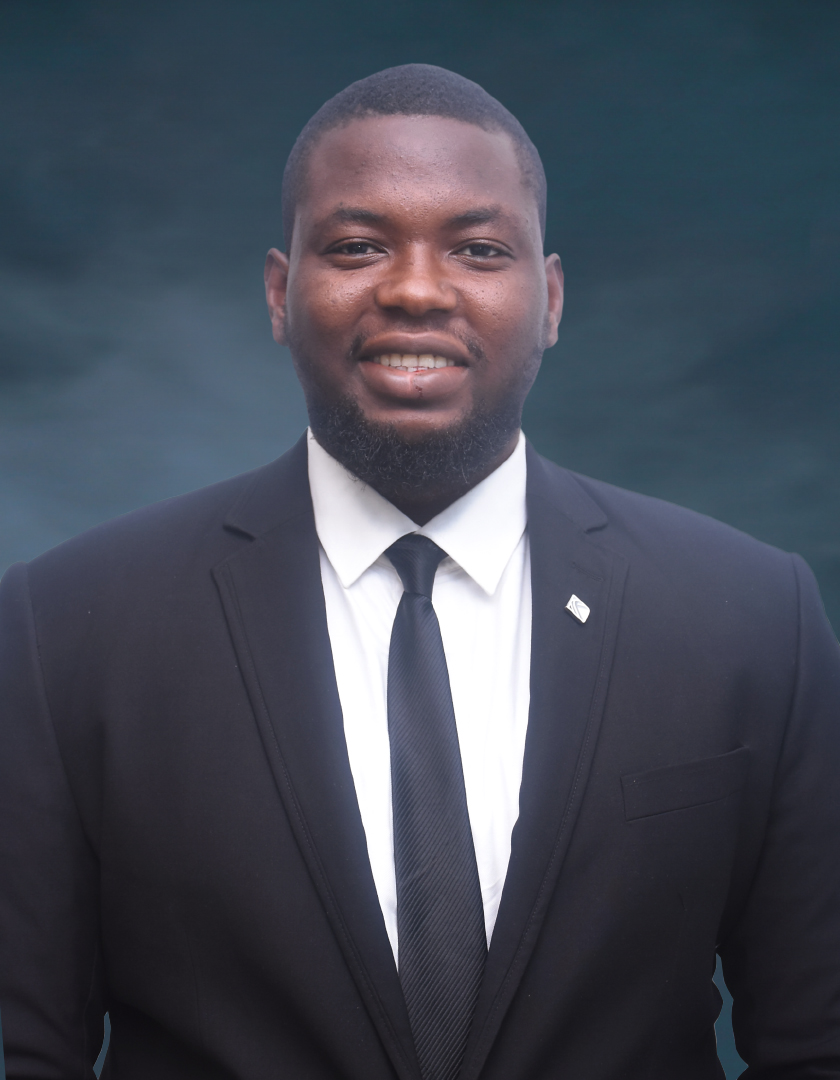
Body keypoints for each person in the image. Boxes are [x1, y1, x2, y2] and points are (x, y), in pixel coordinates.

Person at [1, 63, 839, 1080]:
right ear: (279, 291)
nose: (413, 289)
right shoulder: (67, 630)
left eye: (479, 250)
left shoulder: (755, 619)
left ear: (552, 298)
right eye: (357, 246)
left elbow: (815, 1044)